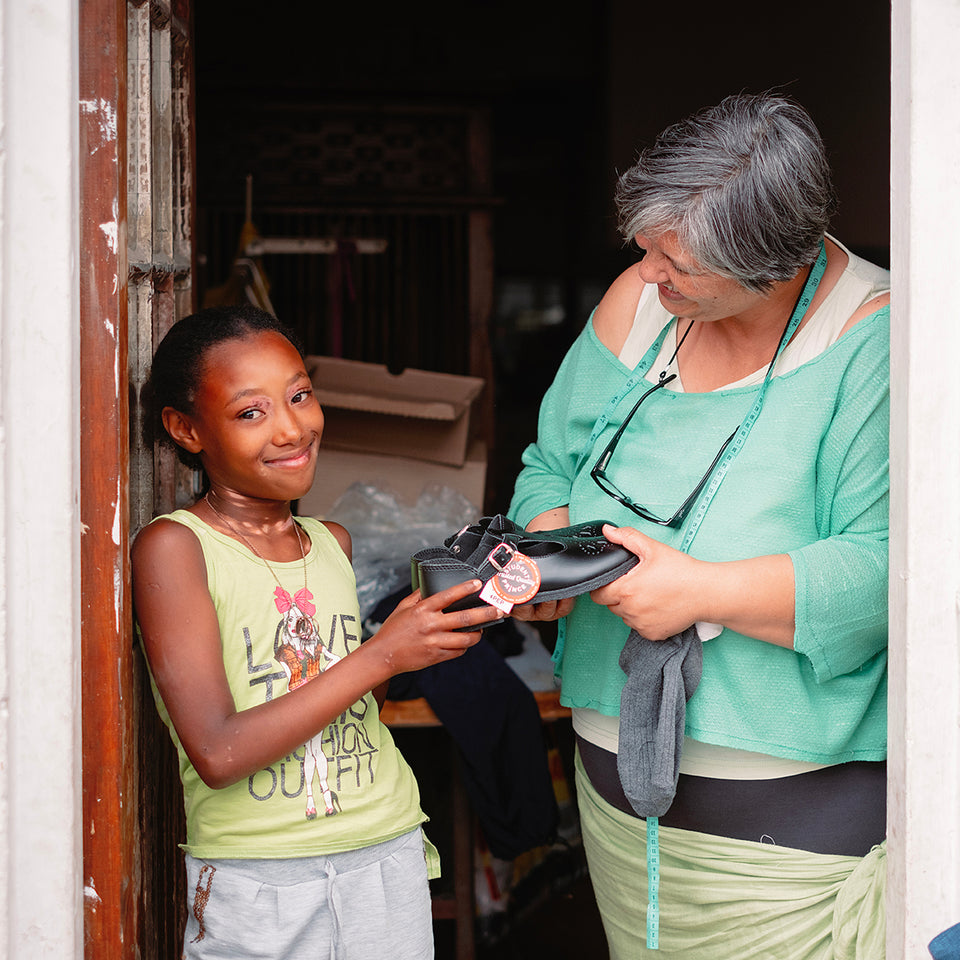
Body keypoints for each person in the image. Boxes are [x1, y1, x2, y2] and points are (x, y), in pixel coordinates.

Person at [508, 92, 890, 959]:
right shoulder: (642, 303)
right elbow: (547, 465)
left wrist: (698, 591)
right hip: (614, 807)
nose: (650, 274)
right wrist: (554, 552)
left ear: (773, 265)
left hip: (791, 842)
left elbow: (887, 572)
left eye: (677, 261)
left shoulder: (876, 341)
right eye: (645, 247)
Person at [131, 305, 504, 960]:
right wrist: (383, 651)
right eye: (252, 412)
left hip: (386, 848)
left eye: (300, 395)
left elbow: (358, 707)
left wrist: (414, 643)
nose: (292, 427)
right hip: (264, 878)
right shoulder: (176, 548)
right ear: (185, 428)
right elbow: (215, 752)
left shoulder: (332, 543)